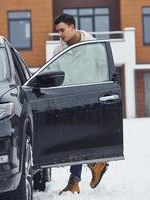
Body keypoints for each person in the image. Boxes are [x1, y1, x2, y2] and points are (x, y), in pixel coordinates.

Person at [53, 13, 109, 195]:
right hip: (69, 100)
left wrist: (104, 97)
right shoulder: (57, 51)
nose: (60, 34)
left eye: (62, 30)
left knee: (78, 140)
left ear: (72, 27)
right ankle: (94, 164)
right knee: (73, 139)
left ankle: (74, 180)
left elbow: (105, 70)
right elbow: (55, 77)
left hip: (92, 99)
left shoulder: (93, 46)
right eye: (57, 32)